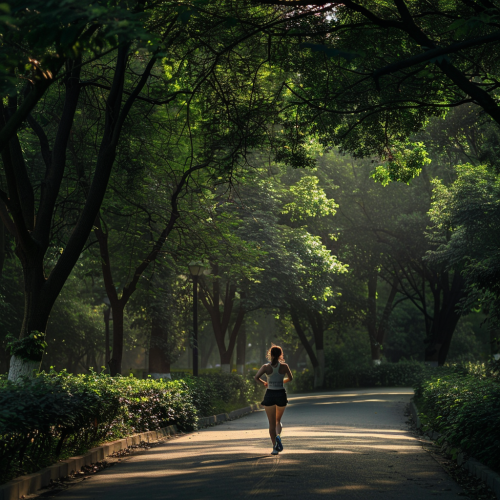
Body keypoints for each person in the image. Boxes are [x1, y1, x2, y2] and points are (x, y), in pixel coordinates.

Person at [254, 344, 293, 455]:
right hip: (281, 394)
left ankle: (275, 447)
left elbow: (256, 377)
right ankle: (278, 436)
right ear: (281, 355)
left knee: (271, 423)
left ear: (270, 354)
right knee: (278, 421)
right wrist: (282, 382)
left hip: (270, 394)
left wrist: (265, 383)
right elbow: (291, 378)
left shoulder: (266, 367)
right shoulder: (284, 366)